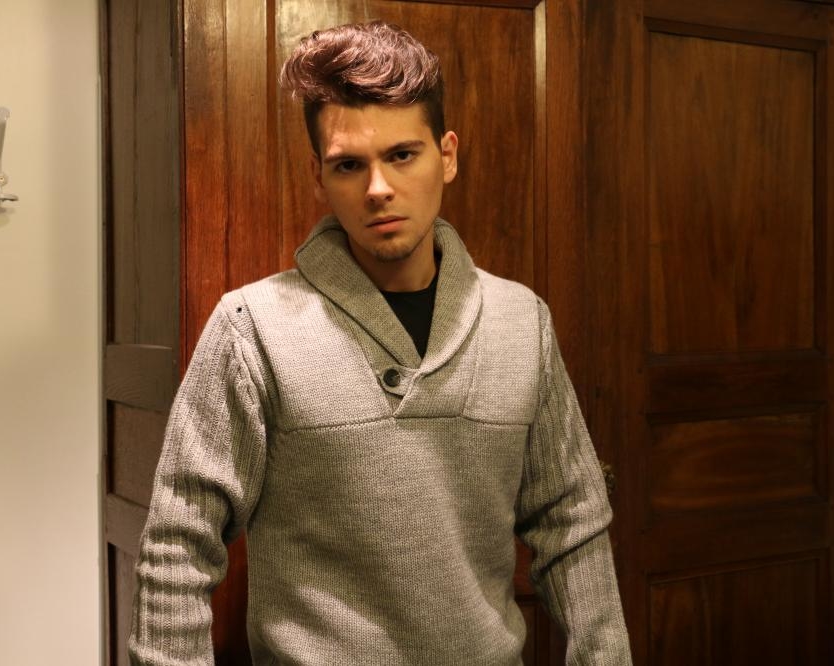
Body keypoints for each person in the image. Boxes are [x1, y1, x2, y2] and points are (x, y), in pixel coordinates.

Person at [129, 20, 631, 665]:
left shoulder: (521, 321)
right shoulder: (253, 326)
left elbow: (573, 521)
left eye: (402, 155)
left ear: (447, 155)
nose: (378, 189)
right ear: (319, 177)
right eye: (349, 165)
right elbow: (178, 542)